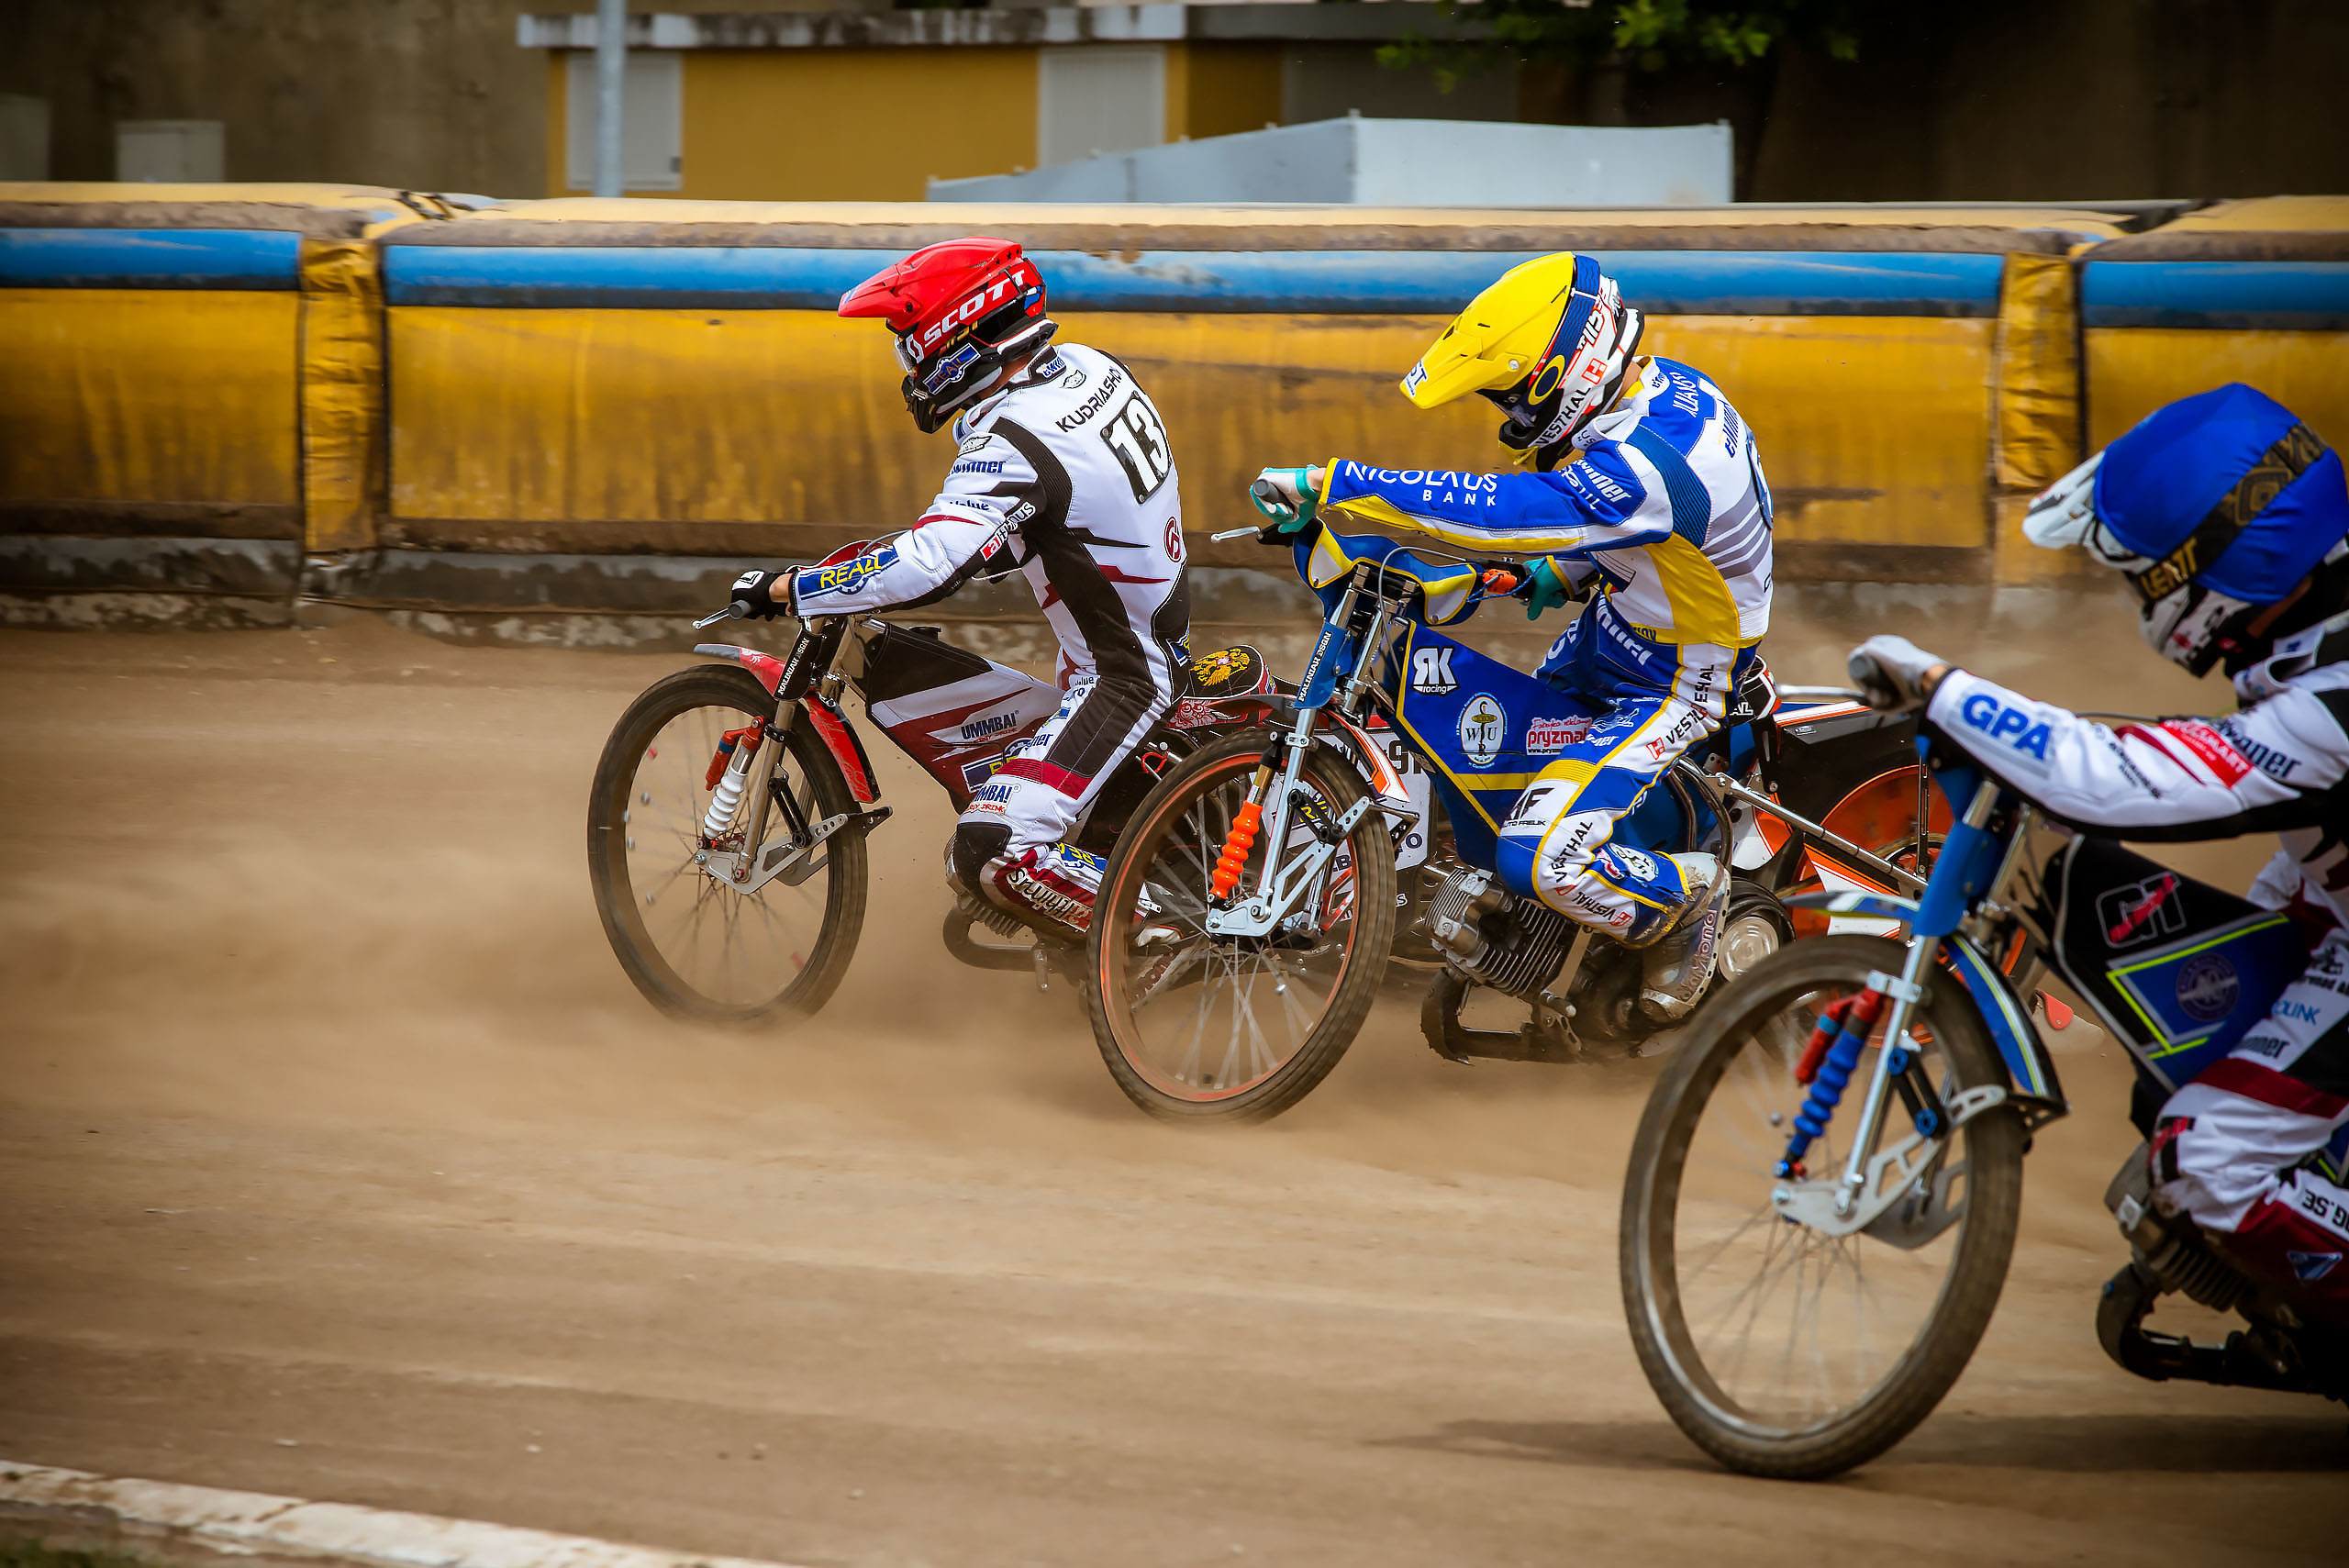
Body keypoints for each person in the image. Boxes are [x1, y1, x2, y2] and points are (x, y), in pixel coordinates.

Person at [1849, 382, 2349, 1322]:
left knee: (2204, 1161)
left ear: (2211, 575)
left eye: (2143, 576)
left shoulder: (2332, 703)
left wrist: (1943, 686)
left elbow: (2115, 780)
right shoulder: (2313, 637)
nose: (2135, 598)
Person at [1249, 252, 1772, 1020]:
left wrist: (1339, 482)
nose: (1511, 416)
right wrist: (1560, 573)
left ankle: (1690, 898)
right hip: (1613, 633)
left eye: (1517, 393)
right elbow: (1668, 539)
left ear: (1574, 367)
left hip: (1678, 684)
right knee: (1481, 772)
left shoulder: (1655, 460)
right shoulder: (1661, 391)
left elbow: (1506, 508)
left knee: (1542, 856)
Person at [729, 238, 1192, 940]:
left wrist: (798, 587)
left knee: (989, 849)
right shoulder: (1087, 369)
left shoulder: (1014, 433)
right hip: (1142, 640)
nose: (909, 363)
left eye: (912, 342)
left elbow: (929, 566)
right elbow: (1065, 514)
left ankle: (1173, 937)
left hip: (1121, 679)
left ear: (958, 334)